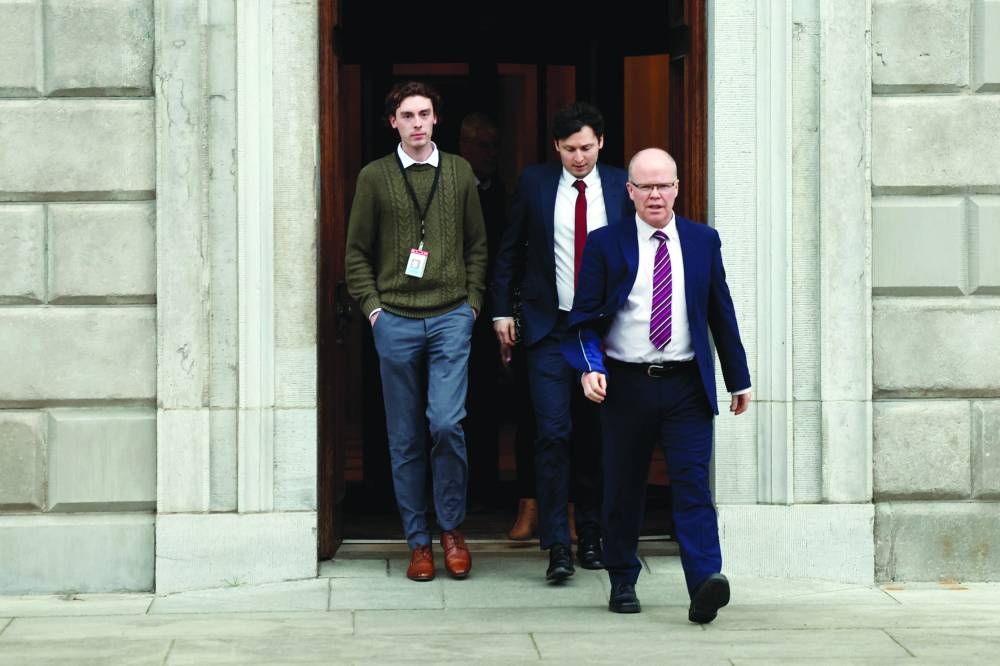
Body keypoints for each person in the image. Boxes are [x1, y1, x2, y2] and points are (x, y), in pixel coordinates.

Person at [563, 148, 751, 623]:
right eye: (644, 186)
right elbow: (583, 320)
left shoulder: (703, 240)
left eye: (663, 184)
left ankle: (704, 582)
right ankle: (622, 579)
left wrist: (738, 377)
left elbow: (720, 312)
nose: (655, 195)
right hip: (626, 385)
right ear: (629, 192)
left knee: (691, 485)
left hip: (685, 383)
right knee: (623, 488)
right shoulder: (607, 244)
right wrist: (590, 368)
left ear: (677, 188)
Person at [345, 81, 488, 582]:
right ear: (393, 122)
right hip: (396, 319)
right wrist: (374, 311)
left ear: (436, 118)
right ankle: (418, 541)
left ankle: (451, 529)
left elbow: (477, 244)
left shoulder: (461, 171)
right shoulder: (374, 178)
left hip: (451, 314)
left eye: (425, 113)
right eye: (408, 115)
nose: (418, 123)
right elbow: (356, 253)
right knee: (404, 437)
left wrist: (472, 304)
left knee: (447, 424)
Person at [492, 101, 634, 580]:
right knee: (552, 433)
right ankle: (556, 545)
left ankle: (591, 535)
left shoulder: (620, 184)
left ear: (602, 144)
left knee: (596, 434)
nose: (579, 157)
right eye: (571, 149)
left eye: (587, 148)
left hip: (603, 331)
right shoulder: (534, 183)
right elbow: (509, 250)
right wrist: (500, 313)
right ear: (557, 146)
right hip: (548, 329)